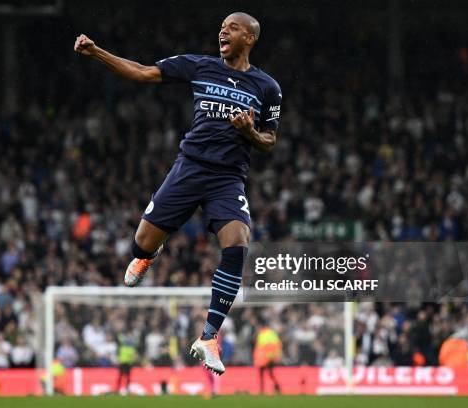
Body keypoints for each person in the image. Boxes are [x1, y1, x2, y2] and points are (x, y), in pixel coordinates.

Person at [74, 11, 282, 375]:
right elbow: (142, 72)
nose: (223, 31)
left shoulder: (267, 87)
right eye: (221, 27)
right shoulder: (200, 66)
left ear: (249, 38)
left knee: (238, 243)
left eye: (232, 28)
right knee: (141, 241)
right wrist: (97, 53)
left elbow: (269, 141)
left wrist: (249, 132)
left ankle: (208, 337)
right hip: (190, 168)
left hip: (227, 179)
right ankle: (147, 255)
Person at [253, 324, 282, 394]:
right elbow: (277, 344)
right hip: (271, 357)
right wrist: (277, 355)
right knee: (271, 374)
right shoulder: (273, 334)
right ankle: (277, 387)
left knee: (261, 374)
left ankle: (262, 390)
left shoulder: (262, 334)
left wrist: (257, 358)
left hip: (263, 358)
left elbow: (260, 347)